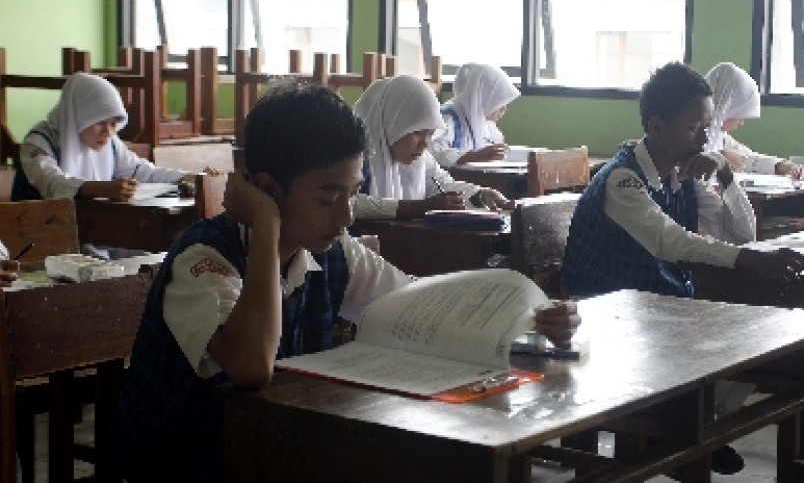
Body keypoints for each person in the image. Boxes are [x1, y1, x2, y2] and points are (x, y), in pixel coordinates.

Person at [112, 81, 581, 482]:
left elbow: (421, 305)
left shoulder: (335, 254)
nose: (346, 216)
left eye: (354, 193)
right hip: (184, 467)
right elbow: (252, 365)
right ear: (267, 189)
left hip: (278, 456)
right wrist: (267, 226)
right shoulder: (203, 258)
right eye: (328, 197)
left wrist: (533, 324)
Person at [561, 62, 804, 475]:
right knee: (739, 339)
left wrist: (728, 177)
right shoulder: (623, 179)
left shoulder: (683, 173)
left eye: (708, 126)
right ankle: (684, 432)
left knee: (760, 335)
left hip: (660, 310)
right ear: (658, 127)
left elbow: (743, 231)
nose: (706, 138)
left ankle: (693, 430)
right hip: (611, 318)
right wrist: (749, 261)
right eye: (695, 127)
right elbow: (670, 241)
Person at [12, 72, 212, 203]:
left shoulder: (110, 144)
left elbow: (141, 171)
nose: (107, 132)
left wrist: (193, 178)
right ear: (78, 114)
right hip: (36, 238)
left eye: (113, 124)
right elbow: (52, 183)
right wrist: (101, 189)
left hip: (91, 228)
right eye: (99, 122)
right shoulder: (39, 142)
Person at [352, 74, 513, 220]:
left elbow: (443, 185)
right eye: (417, 133)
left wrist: (482, 195)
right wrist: (416, 208)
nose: (425, 144)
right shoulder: (354, 155)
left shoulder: (419, 157)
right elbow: (350, 202)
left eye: (430, 134)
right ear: (390, 124)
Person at [704, 62, 804, 180]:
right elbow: (686, 167)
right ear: (727, 107)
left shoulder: (719, 137)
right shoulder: (690, 134)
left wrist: (785, 166)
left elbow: (748, 159)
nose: (741, 122)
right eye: (741, 113)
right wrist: (720, 157)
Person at [429, 63, 521, 168]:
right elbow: (430, 152)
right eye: (500, 104)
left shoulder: (486, 124)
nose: (504, 109)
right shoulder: (447, 118)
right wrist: (473, 156)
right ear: (484, 98)